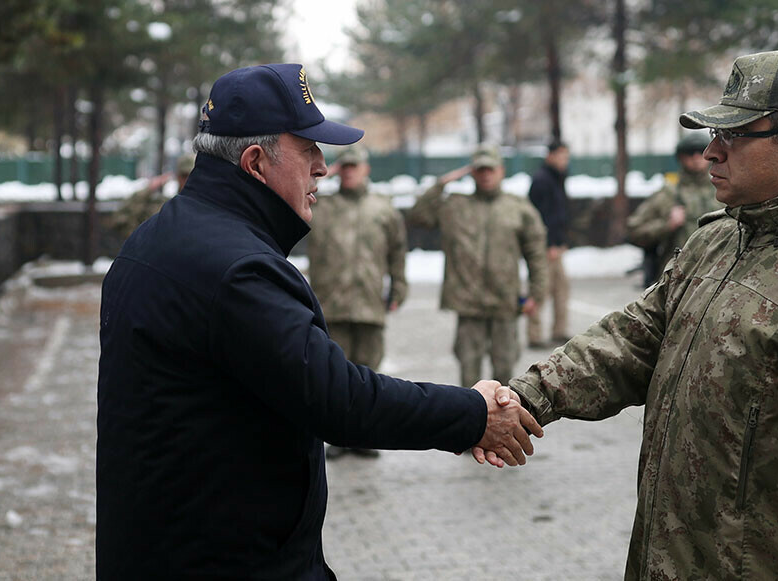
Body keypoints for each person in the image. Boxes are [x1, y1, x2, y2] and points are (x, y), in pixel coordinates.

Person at [496, 50, 778, 578]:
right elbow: (633, 339)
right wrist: (523, 397)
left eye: (732, 137)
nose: (711, 153)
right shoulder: (718, 240)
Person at [97, 63, 542, 580]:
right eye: (308, 151)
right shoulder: (236, 269)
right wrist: (473, 414)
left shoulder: (156, 241)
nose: (323, 169)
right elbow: (337, 399)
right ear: (256, 161)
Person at [407, 144, 549, 387]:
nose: (486, 174)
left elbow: (536, 253)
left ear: (501, 171)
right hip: (468, 302)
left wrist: (537, 294)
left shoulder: (518, 208)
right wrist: (442, 183)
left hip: (505, 301)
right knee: (469, 372)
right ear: (472, 172)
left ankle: (504, 420)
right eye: (480, 169)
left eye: (490, 169)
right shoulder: (455, 205)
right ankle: (470, 423)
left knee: (505, 371)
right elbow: (417, 215)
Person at [308, 145, 409, 459]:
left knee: (368, 376)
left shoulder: (383, 209)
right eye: (345, 166)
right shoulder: (320, 206)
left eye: (355, 166)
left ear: (366, 169)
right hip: (331, 304)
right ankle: (337, 438)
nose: (349, 171)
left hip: (368, 303)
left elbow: (397, 251)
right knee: (333, 376)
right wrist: (323, 179)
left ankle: (363, 436)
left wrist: (399, 286)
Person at [626, 131, 719, 286]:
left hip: (717, 275)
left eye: (701, 151)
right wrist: (667, 225)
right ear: (681, 157)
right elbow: (634, 231)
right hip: (676, 279)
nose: (696, 158)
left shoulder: (724, 191)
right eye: (690, 153)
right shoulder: (667, 194)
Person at [527, 141, 572, 349]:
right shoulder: (542, 180)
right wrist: (549, 245)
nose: (565, 160)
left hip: (556, 244)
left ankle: (559, 330)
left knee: (561, 289)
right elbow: (540, 217)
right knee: (541, 290)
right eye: (562, 156)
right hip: (546, 246)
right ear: (550, 156)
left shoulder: (557, 178)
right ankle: (534, 334)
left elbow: (560, 213)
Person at [110, 153, 196, 238]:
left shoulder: (200, 207)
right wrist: (148, 189)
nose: (187, 180)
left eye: (190, 175)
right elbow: (121, 217)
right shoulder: (163, 206)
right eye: (184, 176)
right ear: (178, 176)